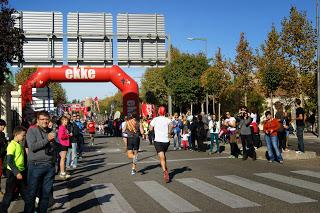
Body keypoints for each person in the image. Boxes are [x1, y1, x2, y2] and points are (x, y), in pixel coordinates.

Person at [24, 111, 56, 213]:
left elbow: (53, 148)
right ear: (37, 120)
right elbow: (33, 147)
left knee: (45, 195)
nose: (45, 121)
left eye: (46, 119)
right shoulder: (31, 130)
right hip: (36, 166)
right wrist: (47, 139)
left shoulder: (50, 131)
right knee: (31, 194)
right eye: (42, 119)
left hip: (49, 166)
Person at [1, 126, 27, 213]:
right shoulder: (12, 145)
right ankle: (3, 210)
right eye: (23, 135)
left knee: (25, 193)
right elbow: (10, 161)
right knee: (9, 194)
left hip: (20, 172)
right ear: (16, 134)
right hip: (13, 173)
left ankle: (29, 209)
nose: (24, 137)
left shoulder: (18, 144)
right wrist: (16, 173)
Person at [149, 106, 172, 183]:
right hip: (166, 141)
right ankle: (165, 168)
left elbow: (150, 129)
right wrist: (169, 132)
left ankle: (165, 171)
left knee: (161, 156)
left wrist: (152, 130)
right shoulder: (167, 120)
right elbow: (171, 125)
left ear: (158, 112)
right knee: (163, 155)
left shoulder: (155, 119)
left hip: (158, 141)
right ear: (165, 112)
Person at [0, 119, 8, 196]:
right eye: (2, 125)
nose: (3, 127)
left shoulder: (2, 134)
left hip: (2, 156)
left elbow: (5, 143)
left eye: (4, 126)